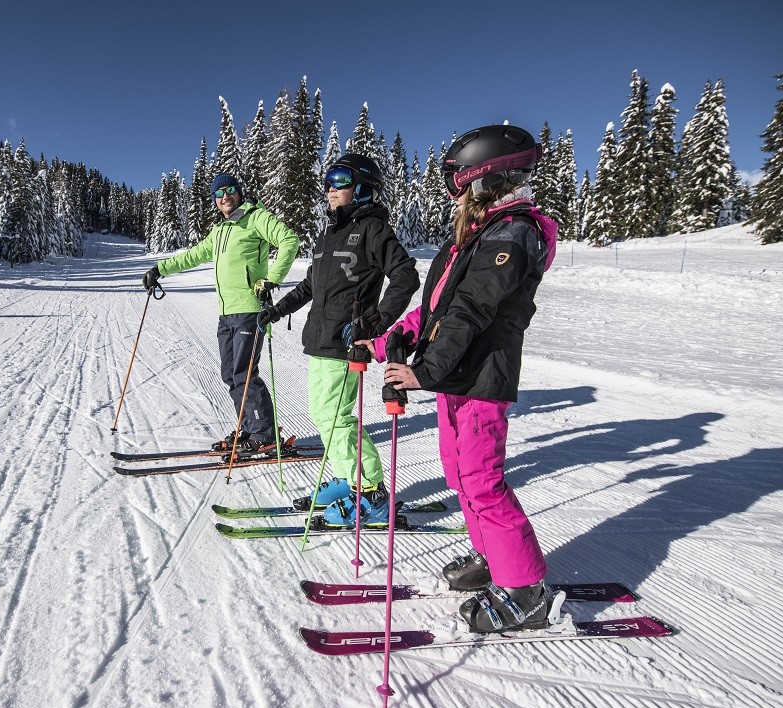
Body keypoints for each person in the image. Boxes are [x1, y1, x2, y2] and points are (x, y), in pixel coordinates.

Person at [364, 124, 558, 633]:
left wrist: (422, 371)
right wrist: (387, 343)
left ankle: (526, 590)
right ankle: (491, 556)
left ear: (484, 178)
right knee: (458, 475)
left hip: (480, 375)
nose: (455, 193)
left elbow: (471, 312)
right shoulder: (477, 236)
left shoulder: (513, 234)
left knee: (483, 482)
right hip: (456, 375)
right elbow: (434, 313)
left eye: (459, 182)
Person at [258, 153, 419, 520]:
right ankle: (350, 476)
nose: (330, 188)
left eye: (340, 179)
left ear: (362, 187)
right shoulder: (329, 233)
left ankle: (371, 492)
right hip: (321, 338)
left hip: (346, 341)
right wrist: (278, 310)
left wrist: (375, 323)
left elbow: (406, 276)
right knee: (326, 414)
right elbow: (311, 284)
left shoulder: (374, 230)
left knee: (334, 417)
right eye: (328, 180)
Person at [142, 173, 299, 453]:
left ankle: (264, 434)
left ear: (239, 193)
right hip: (226, 314)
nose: (224, 197)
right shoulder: (221, 230)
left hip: (250, 310)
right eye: (218, 193)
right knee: (231, 374)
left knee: (244, 373)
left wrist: (271, 279)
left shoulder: (256, 218)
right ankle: (250, 427)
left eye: (229, 191)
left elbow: (289, 240)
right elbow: (192, 255)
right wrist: (159, 269)